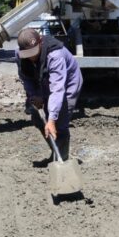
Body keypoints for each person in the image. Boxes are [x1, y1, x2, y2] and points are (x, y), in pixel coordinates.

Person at [16, 28, 83, 161]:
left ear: (40, 41)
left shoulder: (55, 55)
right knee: (37, 118)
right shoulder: (20, 54)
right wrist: (33, 95)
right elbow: (26, 77)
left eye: (33, 52)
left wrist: (52, 119)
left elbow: (57, 89)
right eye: (27, 54)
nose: (31, 57)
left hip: (67, 83)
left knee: (59, 122)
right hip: (43, 80)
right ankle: (55, 151)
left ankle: (61, 160)